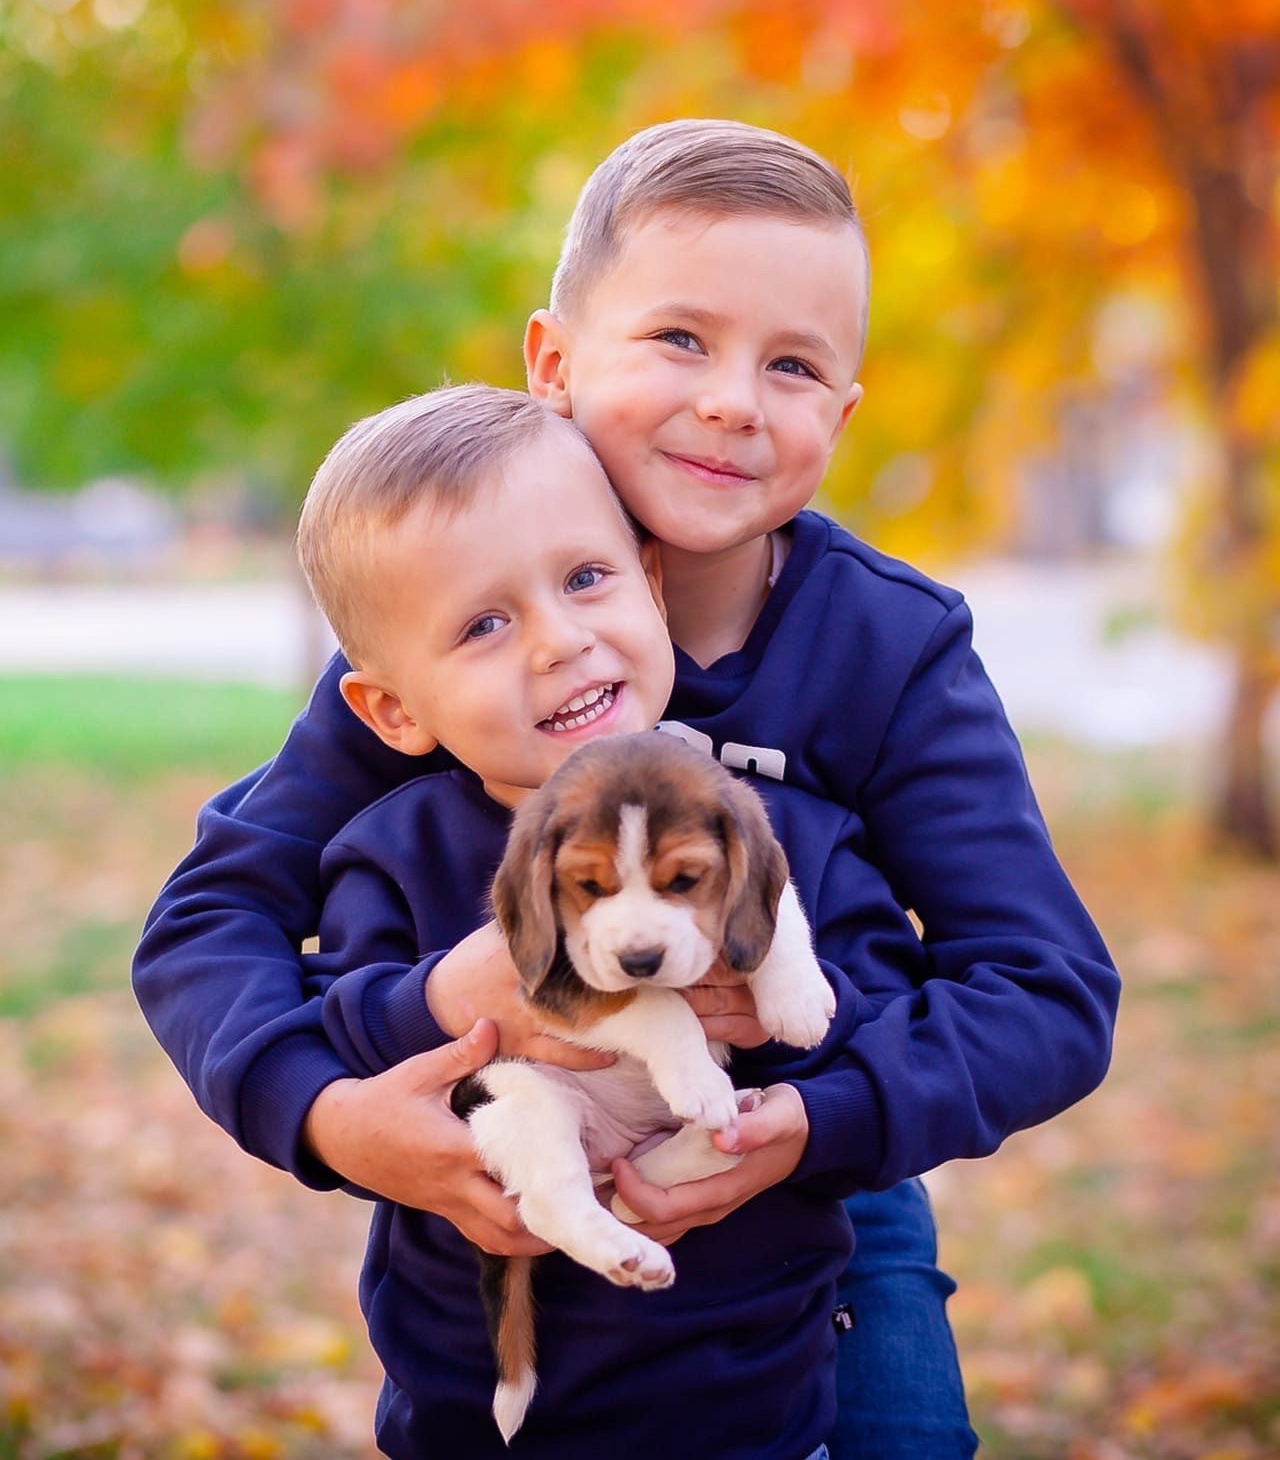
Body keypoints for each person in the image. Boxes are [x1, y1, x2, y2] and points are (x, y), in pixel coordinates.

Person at [135, 119, 1120, 1459]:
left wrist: (819, 1123)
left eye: (792, 366)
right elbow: (211, 922)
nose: (731, 401)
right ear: (553, 363)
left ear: (841, 413)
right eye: (679, 340)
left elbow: (1048, 992)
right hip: (524, 1189)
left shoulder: (887, 650)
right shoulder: (469, 641)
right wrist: (333, 1115)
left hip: (816, 1180)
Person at [291, 382, 948, 1459]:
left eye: (587, 578)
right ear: (390, 710)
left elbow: (867, 1017)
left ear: (648, 582)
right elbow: (338, 1019)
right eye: (485, 624)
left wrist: (795, 1043)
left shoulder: (777, 823)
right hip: (467, 1396)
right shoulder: (388, 850)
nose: (557, 643)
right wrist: (437, 1004)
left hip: (755, 1390)